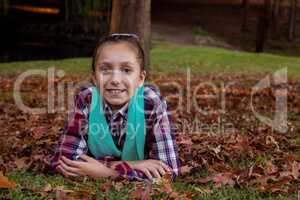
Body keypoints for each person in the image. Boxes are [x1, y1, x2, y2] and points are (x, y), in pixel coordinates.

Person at [51, 33, 180, 182]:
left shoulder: (151, 103)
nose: (115, 80)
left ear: (140, 79)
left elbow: (168, 171)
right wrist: (126, 165)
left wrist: (108, 173)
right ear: (94, 78)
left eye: (126, 70)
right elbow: (64, 161)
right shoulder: (86, 99)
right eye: (105, 70)